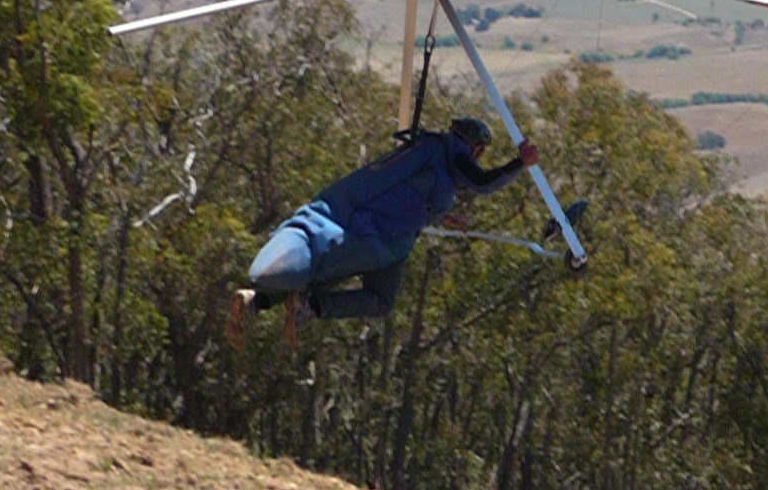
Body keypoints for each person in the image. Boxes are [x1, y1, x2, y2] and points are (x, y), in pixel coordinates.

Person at [226, 116, 538, 349]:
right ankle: (308, 306)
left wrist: (443, 217)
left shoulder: (429, 150)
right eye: (478, 152)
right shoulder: (452, 154)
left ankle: (257, 300)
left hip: (380, 233)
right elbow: (482, 182)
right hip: (375, 235)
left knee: (372, 294)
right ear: (474, 147)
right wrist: (519, 164)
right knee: (363, 292)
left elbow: (413, 193)